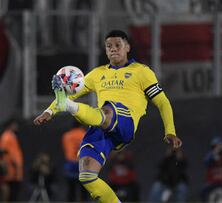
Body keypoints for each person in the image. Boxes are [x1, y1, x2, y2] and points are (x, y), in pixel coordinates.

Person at [33, 30, 182, 203]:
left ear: (127, 47)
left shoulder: (142, 72)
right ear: (105, 50)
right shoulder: (97, 74)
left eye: (117, 45)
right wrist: (49, 111)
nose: (113, 49)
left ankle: (68, 107)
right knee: (86, 175)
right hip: (102, 126)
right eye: (109, 46)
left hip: (125, 122)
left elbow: (162, 102)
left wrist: (170, 131)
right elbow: (70, 94)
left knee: (107, 110)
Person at [62, 120, 88, 202]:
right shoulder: (85, 134)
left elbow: (65, 149)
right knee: (84, 189)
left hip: (70, 163)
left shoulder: (66, 135)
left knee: (71, 189)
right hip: (83, 163)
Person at [0, 118, 24, 201]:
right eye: (14, 124)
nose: (16, 126)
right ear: (10, 125)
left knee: (14, 188)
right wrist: (10, 162)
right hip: (11, 166)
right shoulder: (7, 136)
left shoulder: (12, 136)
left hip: (15, 166)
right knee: (10, 187)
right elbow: (3, 151)